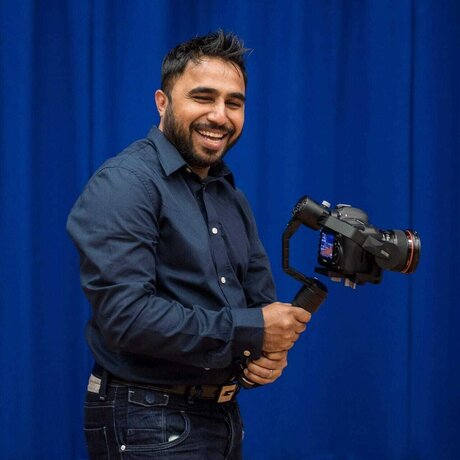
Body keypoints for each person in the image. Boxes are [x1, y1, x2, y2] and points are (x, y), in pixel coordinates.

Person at [67, 30, 311, 460]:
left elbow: (258, 305)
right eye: (203, 97)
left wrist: (266, 354)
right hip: (146, 419)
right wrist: (252, 329)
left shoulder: (230, 197)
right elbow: (126, 317)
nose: (220, 115)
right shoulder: (125, 184)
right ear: (162, 102)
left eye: (234, 103)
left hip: (222, 417)